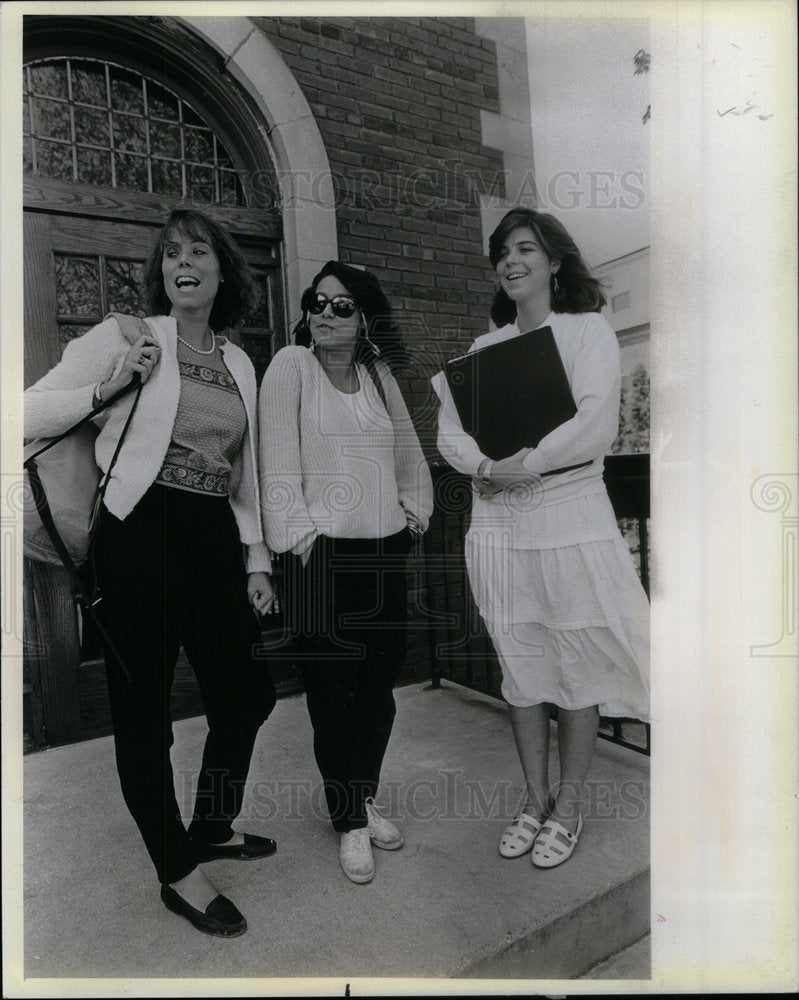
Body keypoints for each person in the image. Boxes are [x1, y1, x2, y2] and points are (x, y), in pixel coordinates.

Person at [24, 209, 279, 937]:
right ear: (161, 274)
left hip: (210, 535)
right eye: (170, 254)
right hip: (138, 533)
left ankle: (210, 822)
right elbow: (25, 410)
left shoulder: (238, 363)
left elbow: (246, 474)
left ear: (223, 272)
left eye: (198, 251)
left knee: (248, 692)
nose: (183, 263)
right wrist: (106, 389)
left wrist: (256, 558)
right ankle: (177, 869)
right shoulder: (126, 336)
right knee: (144, 711)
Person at [433, 207, 649, 868]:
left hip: (567, 515)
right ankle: (533, 797)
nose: (510, 261)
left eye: (524, 248)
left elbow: (592, 425)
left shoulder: (587, 332)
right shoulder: (483, 350)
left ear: (554, 262)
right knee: (521, 663)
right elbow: (450, 431)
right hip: (500, 522)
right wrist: (484, 467)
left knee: (576, 661)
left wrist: (520, 463)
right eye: (502, 252)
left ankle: (569, 806)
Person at [259, 261, 433, 884]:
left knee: (379, 691)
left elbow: (409, 455)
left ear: (365, 319)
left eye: (342, 306)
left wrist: (414, 516)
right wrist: (298, 542)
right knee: (332, 697)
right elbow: (275, 462)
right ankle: (350, 821)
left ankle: (361, 794)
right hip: (317, 557)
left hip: (383, 552)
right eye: (317, 302)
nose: (325, 314)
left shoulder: (377, 375)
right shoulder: (290, 367)